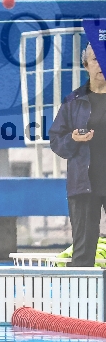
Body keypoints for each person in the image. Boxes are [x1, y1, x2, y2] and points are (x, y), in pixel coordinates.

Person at [50, 43, 106, 267]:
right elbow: (56, 142)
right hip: (84, 184)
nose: (101, 64)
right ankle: (81, 291)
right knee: (82, 252)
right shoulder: (73, 101)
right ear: (86, 65)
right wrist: (73, 139)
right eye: (95, 59)